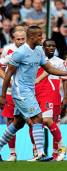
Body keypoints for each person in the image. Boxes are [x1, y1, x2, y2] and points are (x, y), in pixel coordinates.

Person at [0, 26, 67, 161]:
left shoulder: (39, 51)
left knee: (18, 123)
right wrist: (3, 95)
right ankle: (40, 153)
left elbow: (49, 68)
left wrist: (66, 73)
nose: (42, 38)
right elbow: (8, 75)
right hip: (20, 91)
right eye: (39, 36)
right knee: (38, 118)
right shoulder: (20, 53)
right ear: (31, 37)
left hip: (29, 91)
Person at [33, 39, 67, 161]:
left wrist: (66, 96)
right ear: (43, 47)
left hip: (54, 96)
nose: (51, 48)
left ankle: (56, 153)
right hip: (38, 94)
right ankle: (37, 152)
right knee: (36, 123)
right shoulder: (37, 61)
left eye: (53, 46)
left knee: (54, 123)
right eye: (48, 46)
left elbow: (65, 80)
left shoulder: (60, 62)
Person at [0, 26, 26, 161]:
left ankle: (37, 152)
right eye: (18, 39)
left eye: (23, 39)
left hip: (27, 92)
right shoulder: (8, 50)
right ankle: (12, 153)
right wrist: (7, 80)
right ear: (13, 39)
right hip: (11, 92)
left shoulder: (31, 49)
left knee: (33, 121)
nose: (21, 41)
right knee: (11, 121)